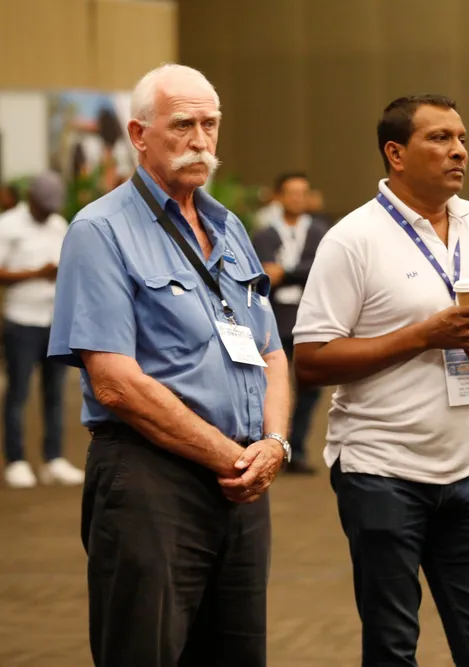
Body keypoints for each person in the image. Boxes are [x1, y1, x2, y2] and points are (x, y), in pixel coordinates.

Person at [47, 63, 289, 667]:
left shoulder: (229, 227)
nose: (200, 140)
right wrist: (231, 456)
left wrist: (276, 443)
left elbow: (271, 352)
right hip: (152, 480)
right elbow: (115, 383)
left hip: (242, 482)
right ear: (139, 134)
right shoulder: (100, 230)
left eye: (210, 124)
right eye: (183, 125)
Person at [292, 94, 469, 667]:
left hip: (464, 470)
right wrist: (423, 336)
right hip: (380, 470)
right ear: (395, 154)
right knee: (393, 646)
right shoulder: (353, 238)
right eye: (440, 138)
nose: (459, 150)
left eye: (462, 138)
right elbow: (312, 360)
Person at [0, 172, 83, 488]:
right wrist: (38, 273)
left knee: (55, 394)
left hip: (53, 321)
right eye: (44, 205)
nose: (49, 211)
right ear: (31, 198)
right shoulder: (8, 225)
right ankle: (16, 461)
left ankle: (53, 459)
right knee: (18, 394)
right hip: (21, 321)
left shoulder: (58, 225)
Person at [252, 171, 329, 473]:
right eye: (291, 192)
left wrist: (285, 272)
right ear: (278, 196)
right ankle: (271, 445)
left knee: (310, 386)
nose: (297, 198)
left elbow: (321, 268)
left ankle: (297, 449)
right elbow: (261, 273)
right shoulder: (264, 234)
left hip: (310, 317)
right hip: (274, 317)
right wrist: (295, 272)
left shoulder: (321, 232)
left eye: (302, 193)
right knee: (271, 384)